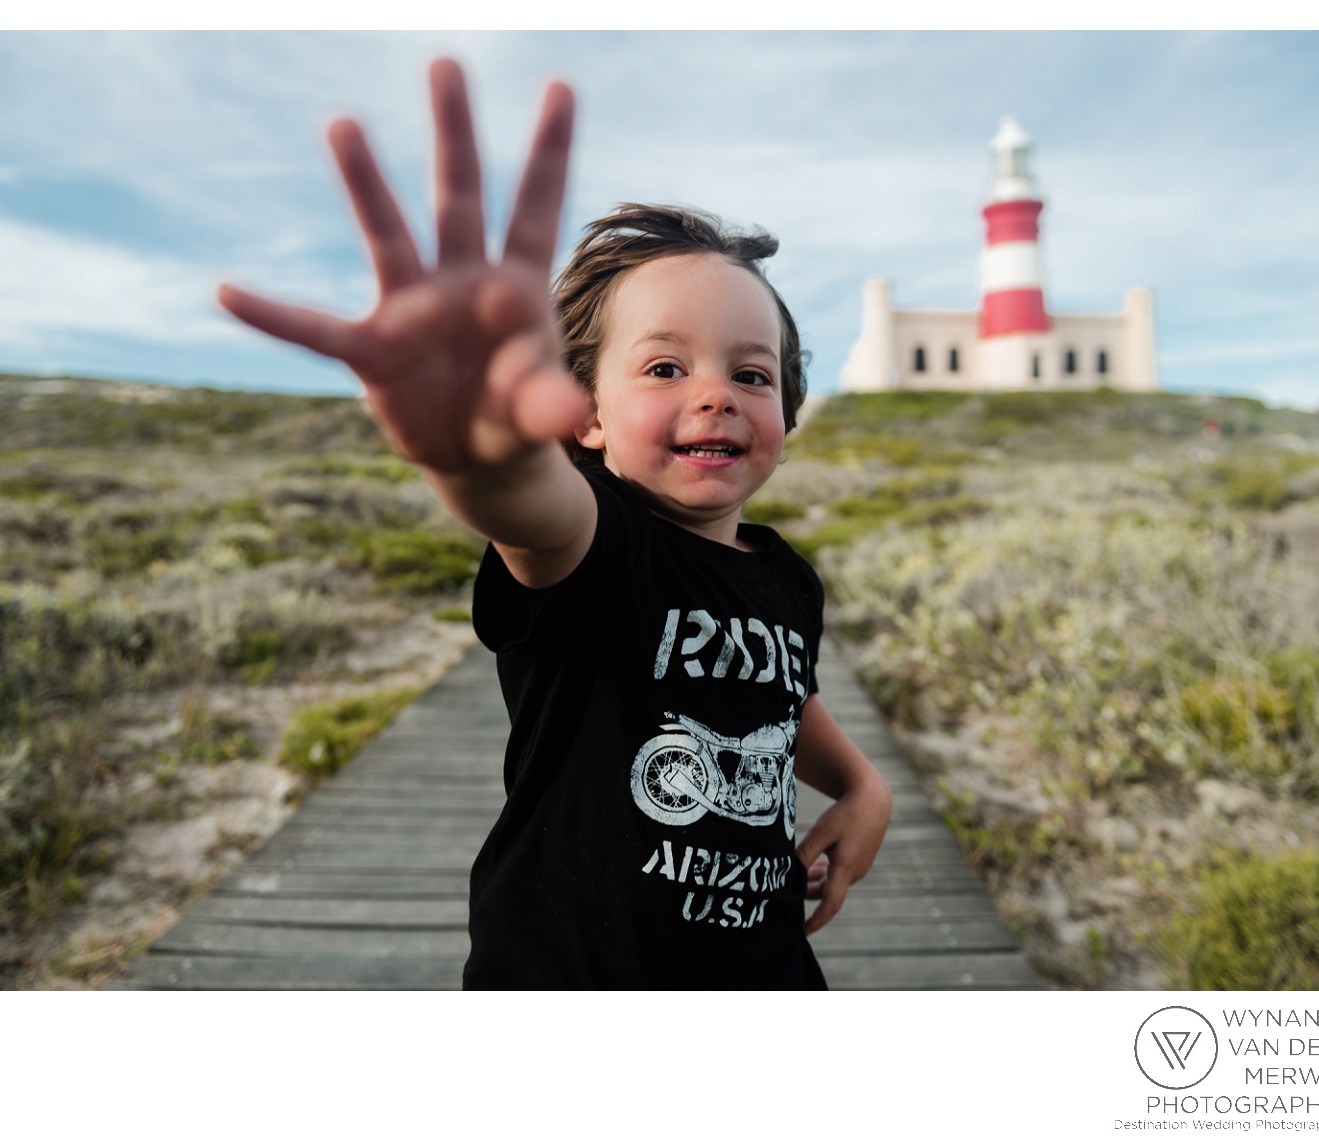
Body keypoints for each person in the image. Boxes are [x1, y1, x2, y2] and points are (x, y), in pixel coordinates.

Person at [219, 58, 892, 988]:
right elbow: (530, 511)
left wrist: (862, 783)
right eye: (663, 369)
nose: (716, 396)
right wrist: (477, 452)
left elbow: (780, 694)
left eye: (752, 374)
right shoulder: (598, 542)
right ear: (585, 414)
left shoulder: (784, 575)